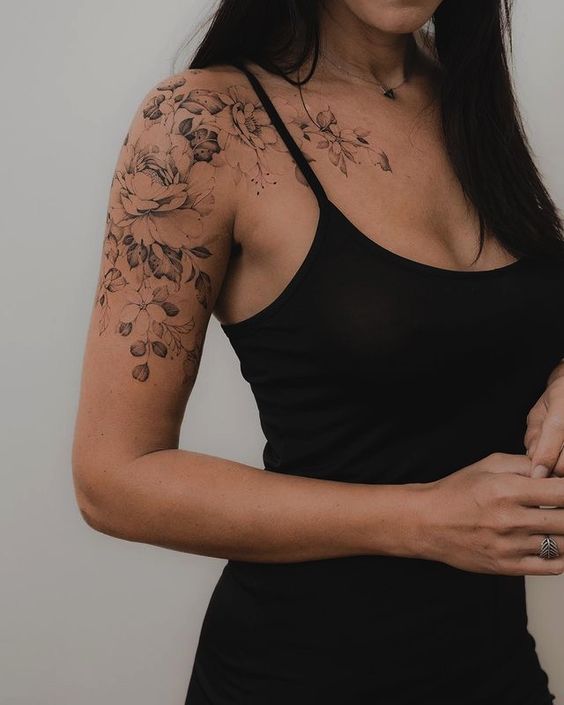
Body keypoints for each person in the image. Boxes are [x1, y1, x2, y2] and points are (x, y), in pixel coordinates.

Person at [71, 1, 564, 703]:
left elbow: (501, 323)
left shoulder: (465, 91)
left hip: (495, 671)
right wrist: (422, 519)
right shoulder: (202, 126)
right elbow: (111, 479)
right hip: (296, 673)